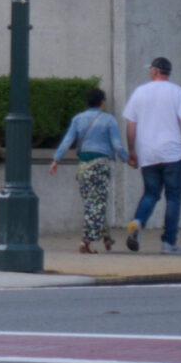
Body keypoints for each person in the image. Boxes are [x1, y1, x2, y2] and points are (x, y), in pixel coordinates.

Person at [120, 58, 181, 255]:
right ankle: (168, 243)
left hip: (148, 153)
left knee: (150, 193)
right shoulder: (177, 92)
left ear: (154, 71)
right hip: (172, 153)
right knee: (173, 197)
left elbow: (131, 125)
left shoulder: (140, 92)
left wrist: (132, 151)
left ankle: (138, 221)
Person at [49, 84, 129, 252]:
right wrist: (127, 159)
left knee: (91, 201)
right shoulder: (109, 119)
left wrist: (56, 159)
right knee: (98, 202)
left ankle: (107, 237)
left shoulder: (78, 119)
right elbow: (117, 145)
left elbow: (67, 141)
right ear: (102, 102)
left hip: (83, 165)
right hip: (100, 163)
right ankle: (85, 241)